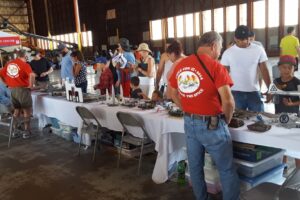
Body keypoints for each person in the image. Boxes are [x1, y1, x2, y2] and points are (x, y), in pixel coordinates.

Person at [169, 31, 240, 200]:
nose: (220, 52)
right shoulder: (216, 66)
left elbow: (171, 94)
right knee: (226, 169)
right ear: (213, 46)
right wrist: (226, 120)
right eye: (220, 48)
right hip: (212, 124)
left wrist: (187, 107)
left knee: (195, 166)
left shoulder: (181, 65)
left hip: (189, 122)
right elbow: (228, 101)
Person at [221, 25, 271, 112]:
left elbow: (265, 70)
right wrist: (223, 94)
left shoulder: (258, 50)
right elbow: (223, 75)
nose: (245, 42)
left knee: (259, 119)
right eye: (241, 40)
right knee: (237, 121)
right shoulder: (228, 53)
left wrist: (271, 90)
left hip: (254, 92)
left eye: (247, 39)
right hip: (235, 92)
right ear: (235, 39)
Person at [269, 55, 300, 170]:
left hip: (294, 119)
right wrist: (268, 96)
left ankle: (298, 172)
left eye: (289, 68)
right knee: (281, 143)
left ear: (294, 68)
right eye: (284, 67)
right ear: (279, 68)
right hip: (279, 116)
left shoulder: (297, 82)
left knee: (295, 145)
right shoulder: (276, 81)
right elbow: (270, 96)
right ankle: (283, 167)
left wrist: (292, 104)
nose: (286, 70)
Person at [0, 49, 35, 138]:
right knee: (27, 111)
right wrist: (31, 85)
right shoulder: (25, 65)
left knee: (17, 111)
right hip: (23, 90)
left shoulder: (9, 64)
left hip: (13, 91)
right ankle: (26, 131)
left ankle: (15, 131)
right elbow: (32, 75)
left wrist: (7, 84)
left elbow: (1, 73)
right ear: (25, 56)